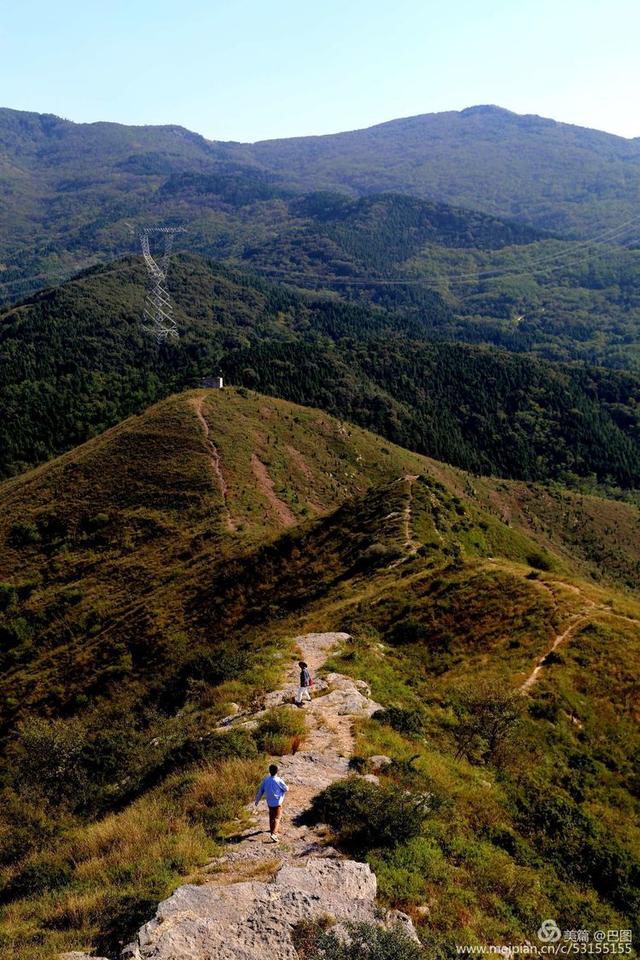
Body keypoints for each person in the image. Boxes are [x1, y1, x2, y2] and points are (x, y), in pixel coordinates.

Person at [254, 763, 289, 842]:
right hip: (277, 803)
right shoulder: (278, 780)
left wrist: (257, 800)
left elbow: (261, 791)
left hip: (269, 803)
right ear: (277, 771)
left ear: (269, 771)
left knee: (271, 818)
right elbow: (286, 789)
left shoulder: (266, 780)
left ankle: (272, 833)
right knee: (277, 818)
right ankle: (274, 834)